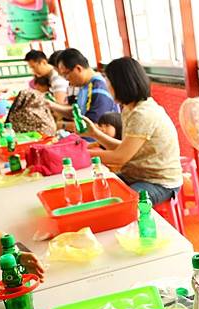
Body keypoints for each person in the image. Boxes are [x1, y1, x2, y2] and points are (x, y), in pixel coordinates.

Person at [80, 57, 182, 205]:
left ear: (121, 85)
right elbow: (123, 149)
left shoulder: (143, 114)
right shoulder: (130, 108)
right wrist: (94, 134)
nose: (107, 87)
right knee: (96, 190)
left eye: (109, 82)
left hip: (159, 182)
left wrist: (80, 154)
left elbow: (120, 157)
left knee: (123, 203)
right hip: (137, 175)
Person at [47, 48, 117, 131]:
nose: (66, 79)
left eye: (66, 74)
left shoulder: (98, 90)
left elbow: (92, 128)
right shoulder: (85, 86)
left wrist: (62, 126)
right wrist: (51, 105)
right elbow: (78, 112)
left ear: (78, 68)